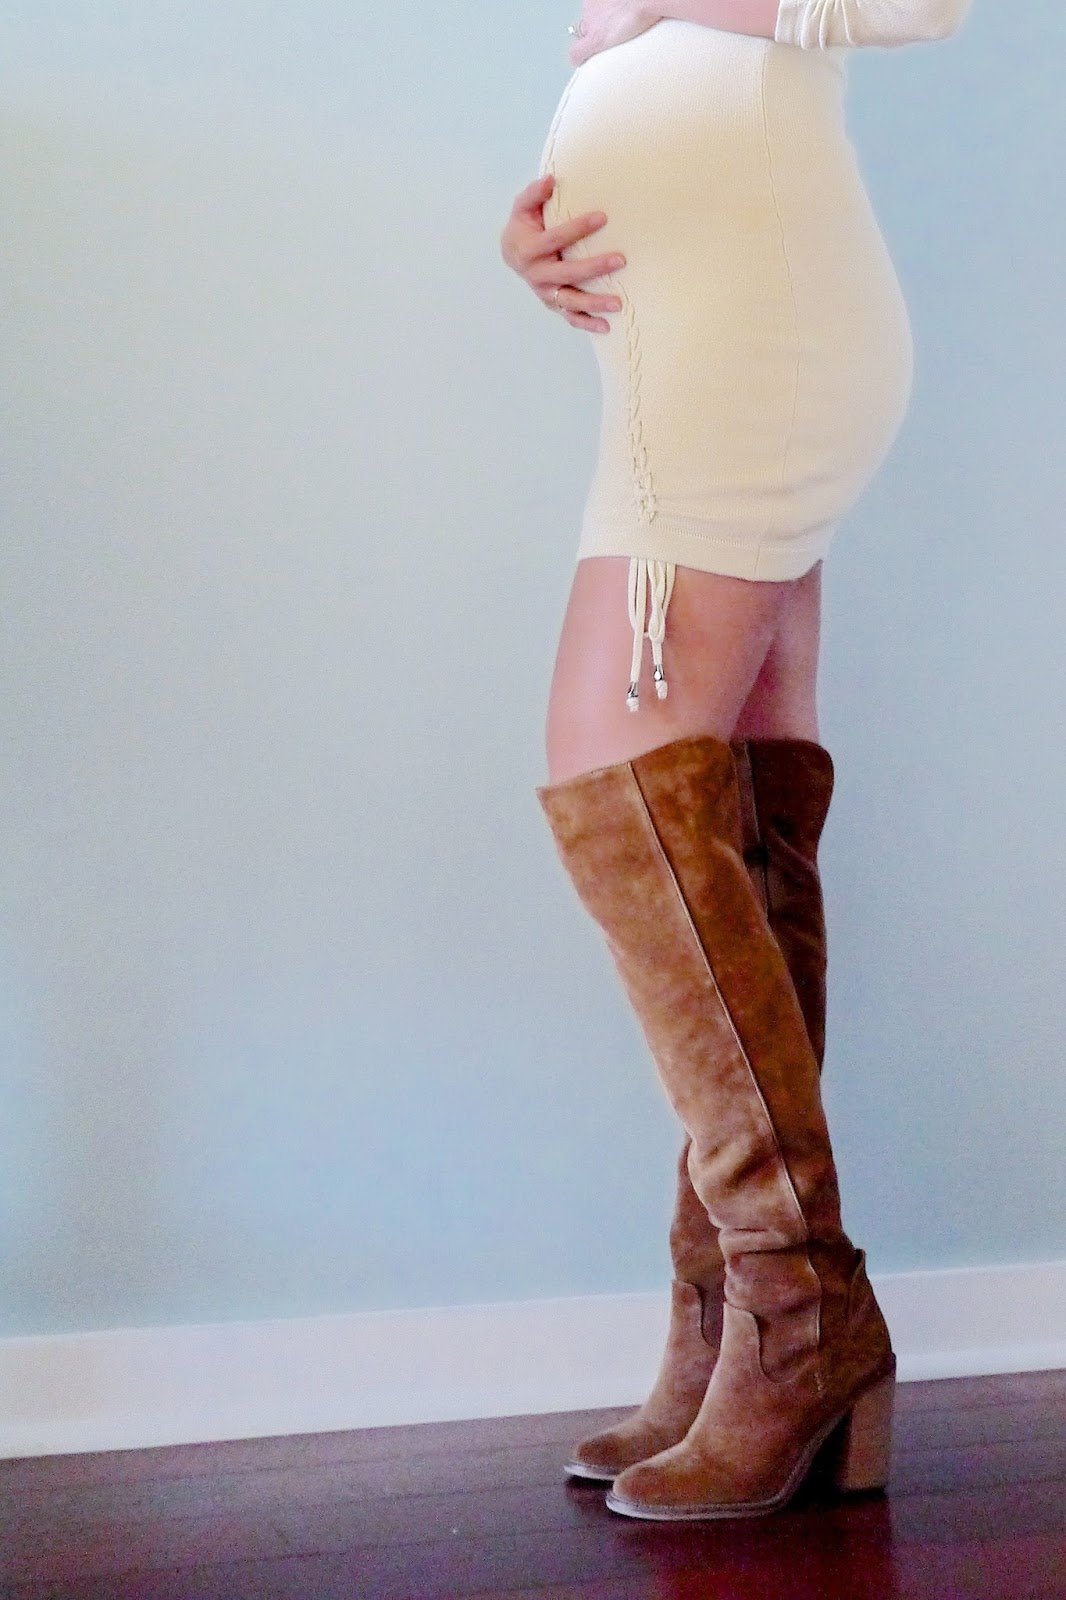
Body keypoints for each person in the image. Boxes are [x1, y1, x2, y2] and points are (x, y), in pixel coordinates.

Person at [500, 0, 972, 1522]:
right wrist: (540, 228)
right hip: (698, 340)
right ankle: (738, 1335)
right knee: (732, 812)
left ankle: (797, 1315)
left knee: (618, 771)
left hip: (748, 347)